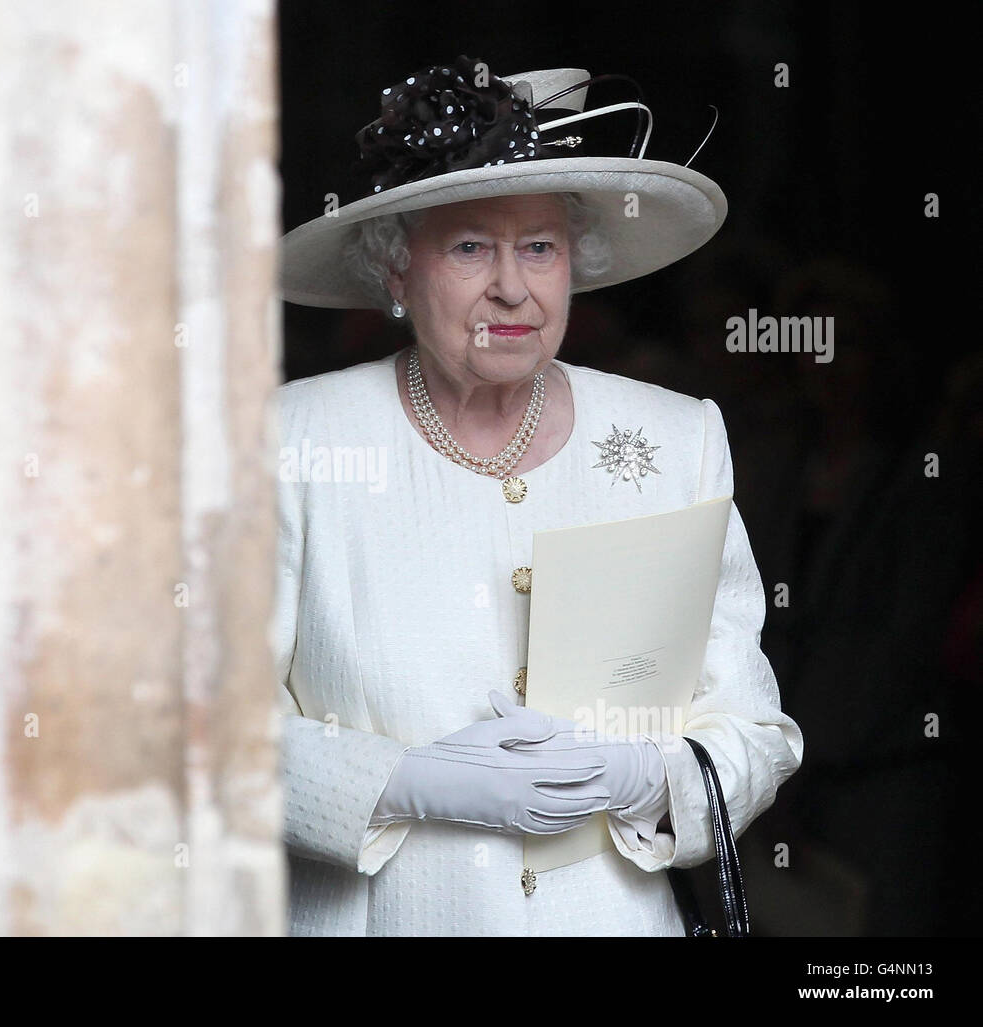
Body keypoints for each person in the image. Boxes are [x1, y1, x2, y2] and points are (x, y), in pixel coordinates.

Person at [273, 55, 803, 936]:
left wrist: (653, 777)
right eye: (471, 246)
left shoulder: (678, 439)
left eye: (540, 248)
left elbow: (755, 729)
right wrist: (400, 782)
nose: (512, 287)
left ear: (574, 265)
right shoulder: (294, 440)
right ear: (397, 271)